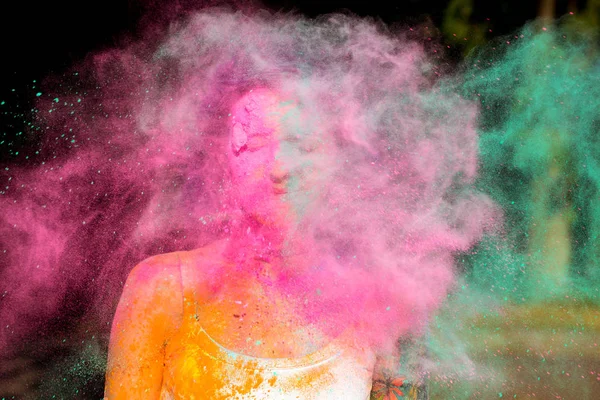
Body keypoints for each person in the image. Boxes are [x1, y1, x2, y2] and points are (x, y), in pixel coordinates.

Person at [104, 88, 410, 399]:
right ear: (224, 159)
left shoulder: (376, 304)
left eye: (304, 146)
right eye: (255, 144)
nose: (279, 169)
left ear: (336, 161)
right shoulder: (163, 287)